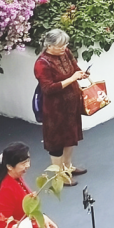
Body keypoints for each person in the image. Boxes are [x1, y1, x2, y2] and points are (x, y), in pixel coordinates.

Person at [33, 29, 88, 184]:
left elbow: (75, 67)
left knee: (71, 137)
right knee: (56, 142)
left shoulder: (66, 52)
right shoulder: (42, 63)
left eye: (65, 45)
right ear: (49, 46)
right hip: (55, 109)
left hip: (71, 105)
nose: (63, 48)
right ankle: (59, 177)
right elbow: (48, 88)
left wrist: (81, 74)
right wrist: (72, 79)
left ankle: (68, 167)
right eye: (59, 46)